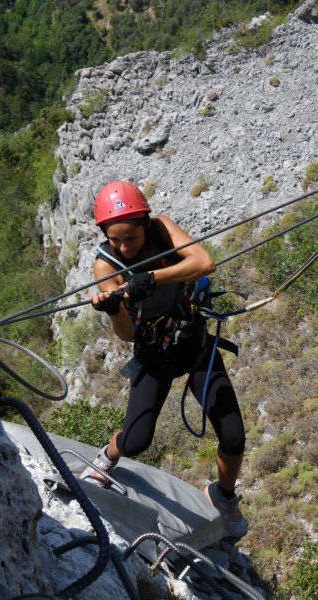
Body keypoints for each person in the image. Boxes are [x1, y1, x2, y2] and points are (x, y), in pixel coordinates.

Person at [81, 180, 248, 539]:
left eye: (131, 239)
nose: (124, 247)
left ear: (145, 224)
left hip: (194, 343)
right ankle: (108, 455)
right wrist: (113, 309)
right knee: (136, 441)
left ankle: (224, 495)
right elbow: (126, 334)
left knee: (233, 436)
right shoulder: (105, 265)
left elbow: (204, 262)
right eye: (116, 240)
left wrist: (151, 277)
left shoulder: (161, 229)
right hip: (154, 354)